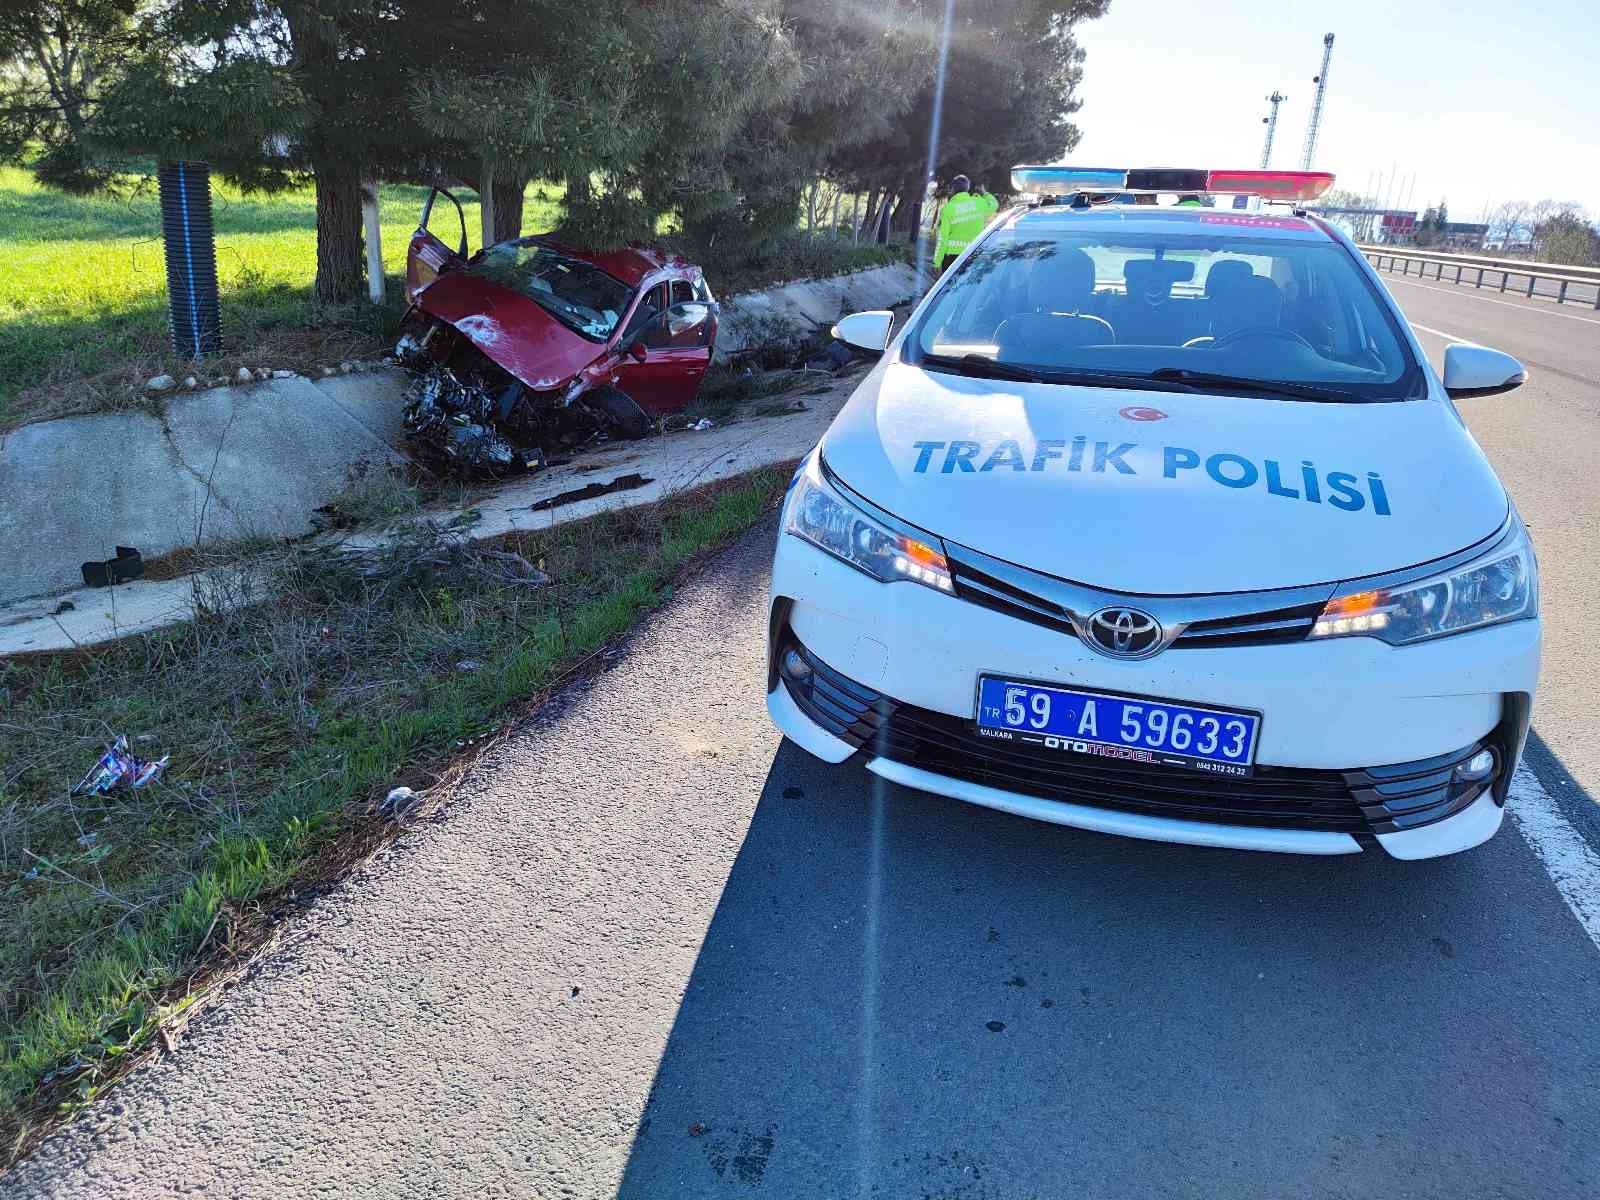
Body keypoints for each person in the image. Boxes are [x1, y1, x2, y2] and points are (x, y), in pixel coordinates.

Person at [933, 174, 999, 273]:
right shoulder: (979, 203)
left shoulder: (948, 209)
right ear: (968, 188)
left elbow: (942, 239)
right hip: (972, 255)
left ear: (952, 189)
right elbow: (994, 205)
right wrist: (985, 193)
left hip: (951, 258)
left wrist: (937, 262)